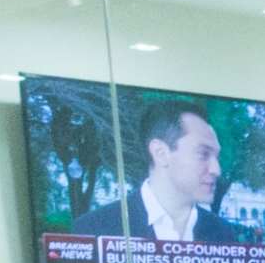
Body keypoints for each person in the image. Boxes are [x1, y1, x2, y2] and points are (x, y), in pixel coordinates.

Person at [79, 99, 251, 245]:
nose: (216, 170)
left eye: (216, 157)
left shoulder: (223, 233)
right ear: (160, 153)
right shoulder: (94, 229)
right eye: (203, 154)